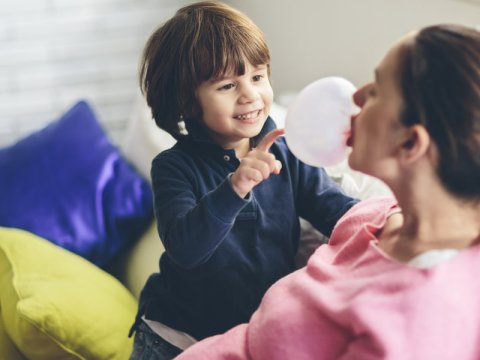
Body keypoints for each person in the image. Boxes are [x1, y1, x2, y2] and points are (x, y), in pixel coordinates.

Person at [175, 24, 480, 359]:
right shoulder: (370, 216)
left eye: (376, 91)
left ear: (409, 142)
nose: (356, 96)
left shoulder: (417, 315)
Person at [128, 1, 357, 359]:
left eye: (257, 76)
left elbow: (330, 205)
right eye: (226, 86)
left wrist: (381, 220)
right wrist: (234, 188)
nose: (249, 94)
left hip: (247, 337)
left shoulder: (286, 148)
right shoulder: (173, 167)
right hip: (176, 338)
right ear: (186, 102)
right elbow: (186, 250)